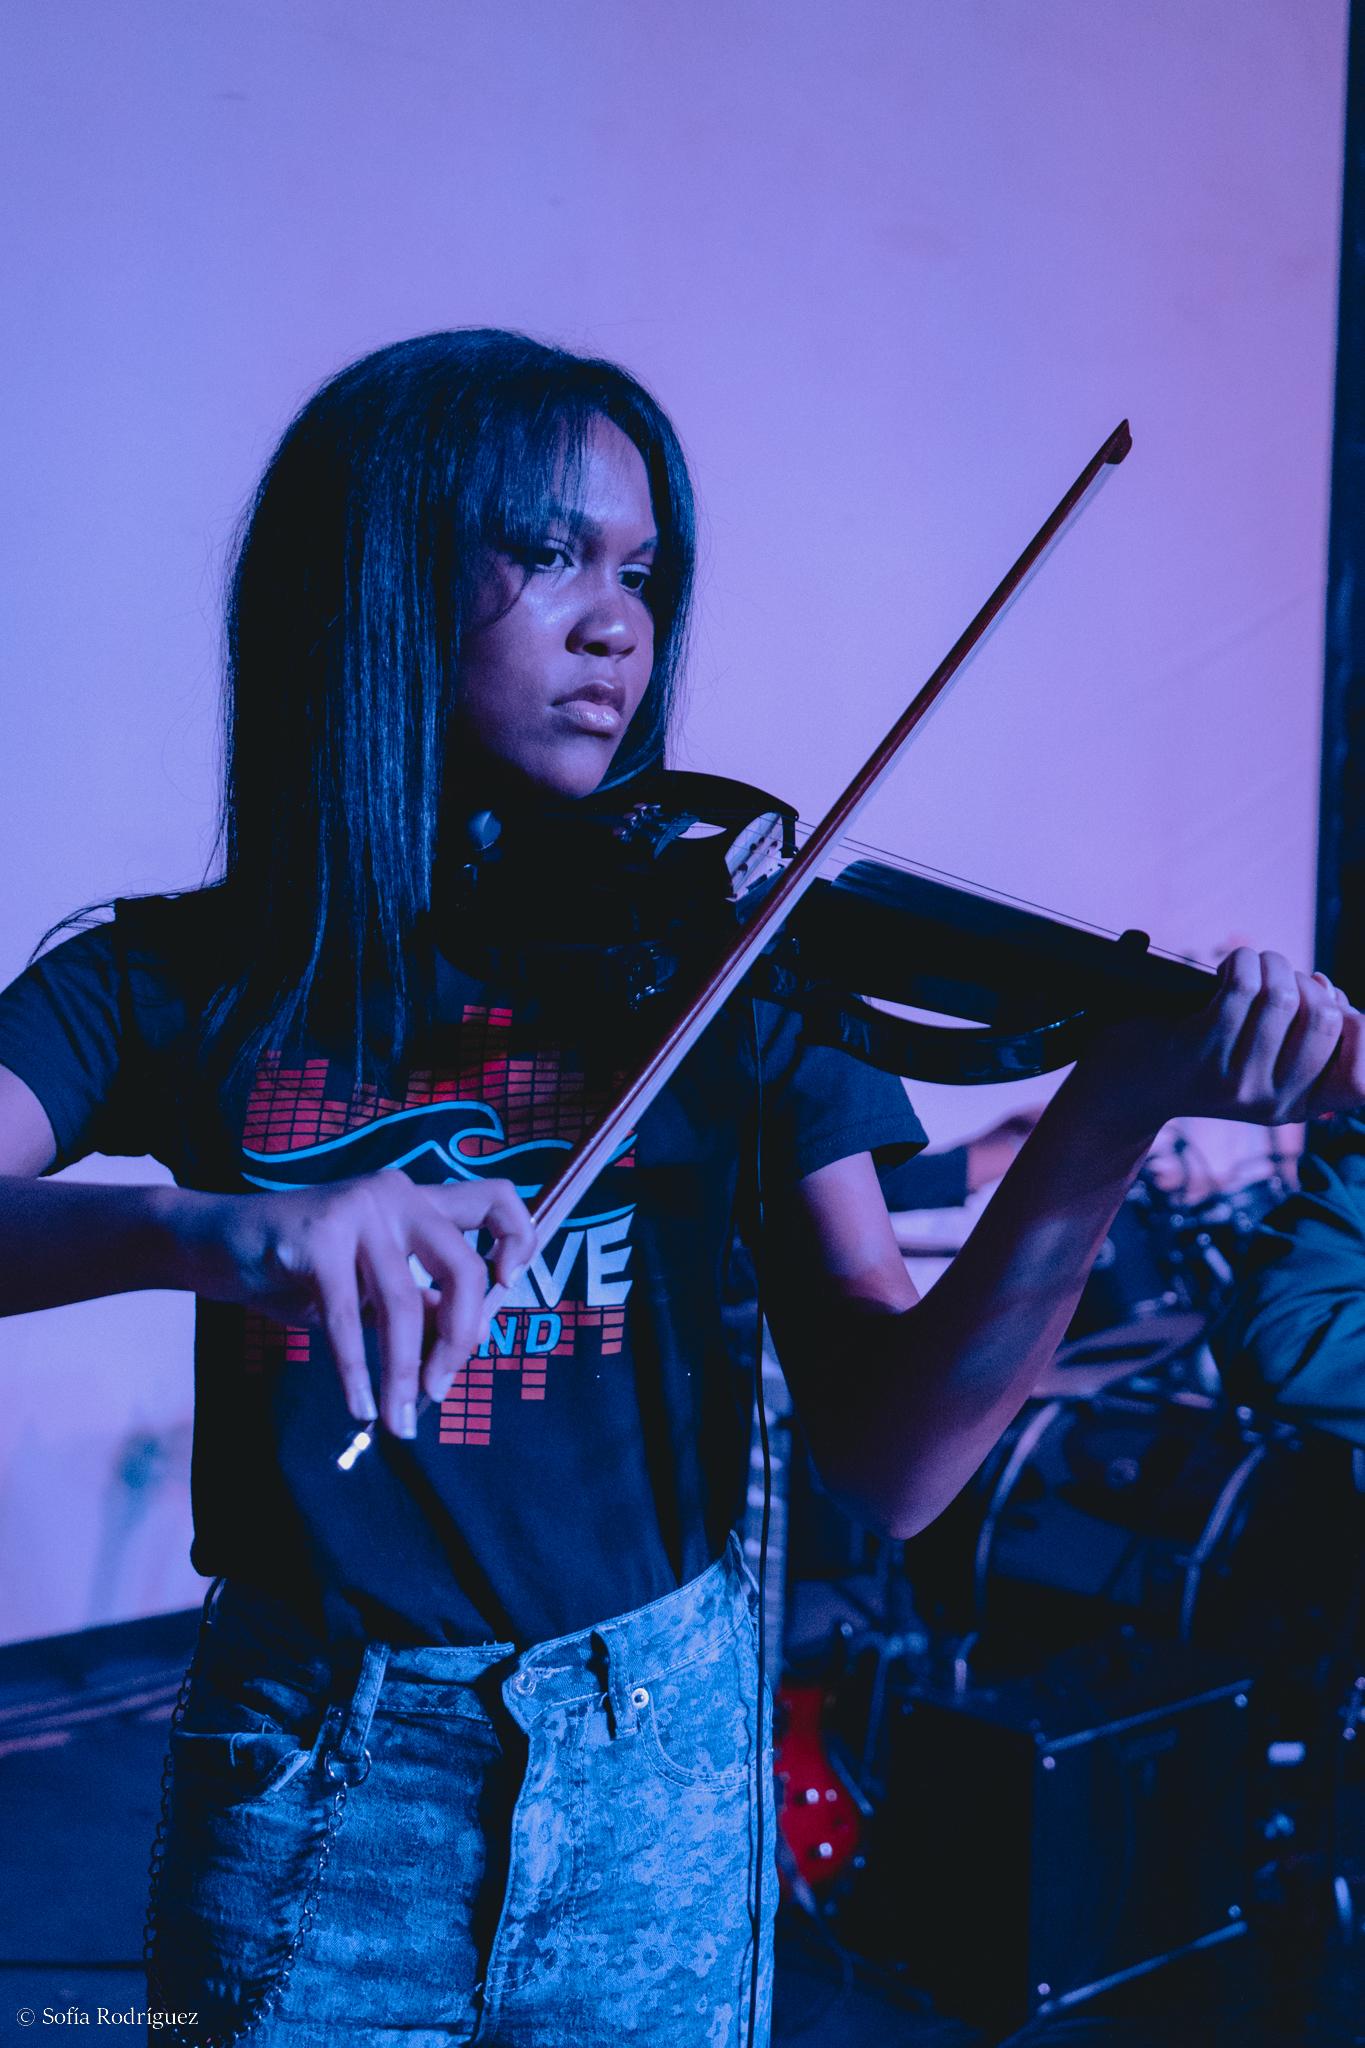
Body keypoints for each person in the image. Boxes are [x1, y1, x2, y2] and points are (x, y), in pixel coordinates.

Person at [0, 330, 1359, 2048]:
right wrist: (202, 1229)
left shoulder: (734, 968)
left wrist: (1105, 1115)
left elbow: (897, 1468)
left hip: (653, 1765)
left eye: (642, 569)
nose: (614, 622)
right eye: (548, 550)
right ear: (371, 580)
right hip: (313, 1782)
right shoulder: (178, 979)